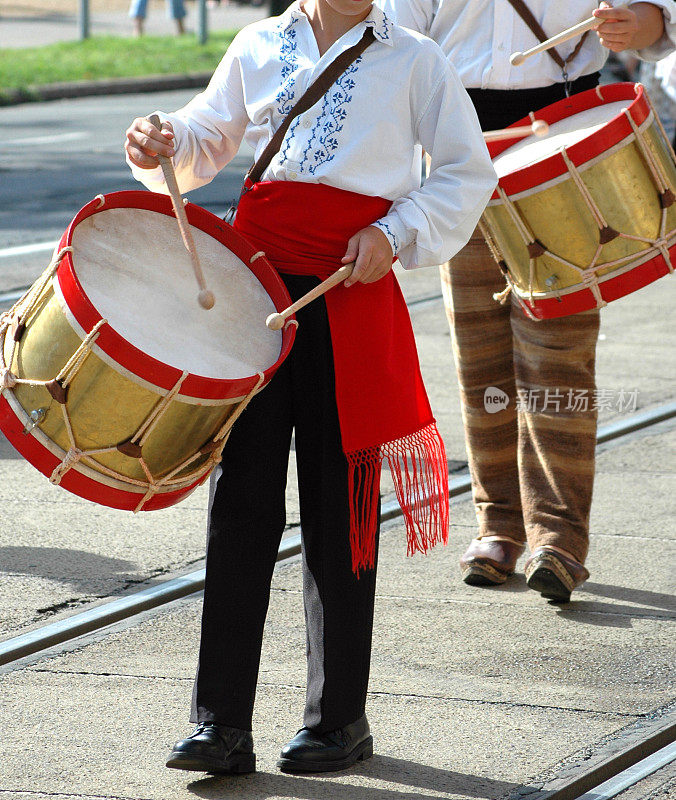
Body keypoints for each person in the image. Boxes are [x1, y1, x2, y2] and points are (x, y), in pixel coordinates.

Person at [125, 0, 496, 775]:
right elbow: (203, 139)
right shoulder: (259, 44)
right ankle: (220, 725)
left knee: (341, 512)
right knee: (241, 506)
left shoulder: (417, 58)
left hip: (348, 294)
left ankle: (338, 721)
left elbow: (468, 171)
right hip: (255, 300)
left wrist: (393, 234)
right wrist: (161, 139)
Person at [381, 0, 675, 602]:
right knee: (478, 347)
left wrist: (642, 22)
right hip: (462, 149)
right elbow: (392, 37)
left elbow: (657, 17)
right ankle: (497, 525)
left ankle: (560, 538)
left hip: (565, 136)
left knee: (558, 351)